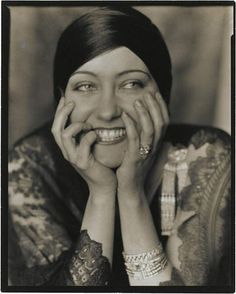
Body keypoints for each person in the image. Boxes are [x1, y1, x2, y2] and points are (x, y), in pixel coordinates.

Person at [8, 6, 231, 287]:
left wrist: (130, 192)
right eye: (86, 86)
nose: (107, 111)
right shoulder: (29, 166)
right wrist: (101, 193)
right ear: (61, 98)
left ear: (162, 92)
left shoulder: (207, 154)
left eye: (131, 84)